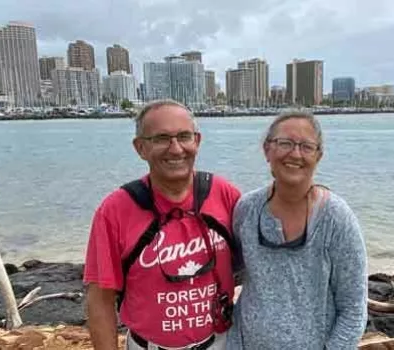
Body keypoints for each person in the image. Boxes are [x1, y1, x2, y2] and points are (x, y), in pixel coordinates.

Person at [83, 99, 242, 350]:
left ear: (197, 141)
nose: (176, 149)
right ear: (140, 148)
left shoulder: (224, 195)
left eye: (184, 136)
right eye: (161, 139)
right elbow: (100, 299)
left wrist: (313, 195)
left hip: (222, 343)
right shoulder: (115, 211)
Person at [226, 111, 368, 349]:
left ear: (318, 155)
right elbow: (237, 273)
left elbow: (353, 308)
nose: (295, 153)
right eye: (285, 143)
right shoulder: (247, 209)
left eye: (306, 146)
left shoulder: (335, 218)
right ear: (267, 150)